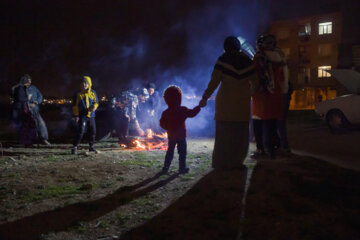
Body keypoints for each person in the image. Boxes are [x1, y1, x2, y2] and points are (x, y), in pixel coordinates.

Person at [199, 36, 257, 170]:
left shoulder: (223, 60)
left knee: (223, 135)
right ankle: (237, 162)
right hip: (242, 104)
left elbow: (214, 82)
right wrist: (250, 94)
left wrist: (205, 97)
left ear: (225, 47)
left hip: (224, 103)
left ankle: (220, 162)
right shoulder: (248, 61)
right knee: (240, 134)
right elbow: (256, 81)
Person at [251, 34, 289, 159]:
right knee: (271, 123)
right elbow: (284, 78)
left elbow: (254, 77)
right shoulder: (281, 57)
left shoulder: (259, 57)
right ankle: (272, 149)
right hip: (276, 94)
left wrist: (250, 91)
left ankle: (261, 149)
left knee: (259, 123)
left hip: (261, 95)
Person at [160, 85, 201, 174]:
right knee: (182, 153)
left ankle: (165, 168)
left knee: (170, 152)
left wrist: (168, 128)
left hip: (171, 135)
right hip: (181, 136)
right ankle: (182, 168)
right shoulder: (183, 110)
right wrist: (199, 106)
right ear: (179, 98)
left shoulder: (166, 112)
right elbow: (193, 113)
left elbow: (162, 124)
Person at [11, 74, 50, 146]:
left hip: (34, 110)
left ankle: (44, 139)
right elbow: (16, 97)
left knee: (41, 124)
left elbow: (40, 95)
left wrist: (37, 101)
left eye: (30, 80)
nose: (29, 81)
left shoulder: (34, 88)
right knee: (26, 126)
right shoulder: (19, 88)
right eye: (27, 80)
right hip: (25, 110)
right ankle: (27, 141)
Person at [71, 76, 99, 155]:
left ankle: (91, 146)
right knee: (81, 131)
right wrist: (76, 115)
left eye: (86, 83)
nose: (84, 84)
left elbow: (96, 102)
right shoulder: (77, 93)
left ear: (89, 84)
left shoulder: (93, 92)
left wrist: (94, 107)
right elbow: (75, 106)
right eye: (82, 82)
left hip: (92, 115)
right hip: (82, 115)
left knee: (93, 131)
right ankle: (74, 147)